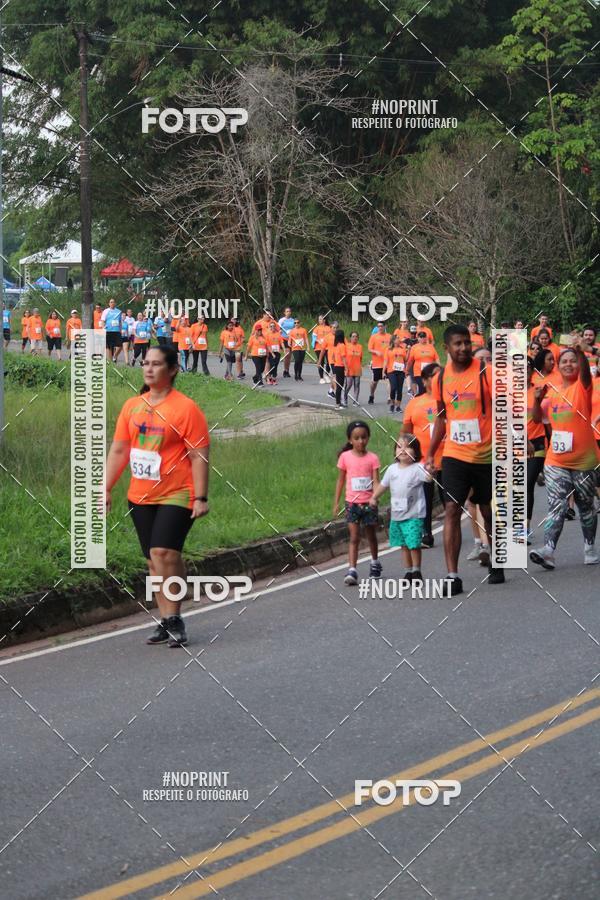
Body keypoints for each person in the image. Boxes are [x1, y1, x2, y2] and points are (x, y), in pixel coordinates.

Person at [106, 344, 210, 647]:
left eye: (156, 364)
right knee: (153, 559)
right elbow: (120, 450)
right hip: (141, 494)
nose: (149, 369)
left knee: (165, 553)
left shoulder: (186, 408)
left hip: (178, 491)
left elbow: (199, 455)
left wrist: (200, 497)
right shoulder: (132, 406)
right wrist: (105, 487)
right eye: (145, 363)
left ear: (173, 369)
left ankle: (175, 619)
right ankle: (165, 619)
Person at [427, 323, 504, 596]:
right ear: (446, 348)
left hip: (485, 455)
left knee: (486, 510)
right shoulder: (440, 379)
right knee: (452, 509)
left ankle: (496, 559)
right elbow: (441, 418)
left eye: (466, 342)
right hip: (454, 454)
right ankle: (452, 576)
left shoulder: (486, 372)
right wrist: (430, 453)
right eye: (457, 343)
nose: (463, 348)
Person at [530, 338, 599, 569]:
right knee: (557, 504)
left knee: (586, 506)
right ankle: (548, 550)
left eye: (573, 361)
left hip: (584, 460)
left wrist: (581, 353)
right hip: (556, 460)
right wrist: (537, 400)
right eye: (564, 361)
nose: (568, 364)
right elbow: (538, 419)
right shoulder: (552, 392)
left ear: (578, 364)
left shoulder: (582, 387)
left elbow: (586, 376)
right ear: (558, 367)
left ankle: (589, 547)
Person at [370, 434, 432, 583]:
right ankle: (408, 571)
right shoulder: (392, 469)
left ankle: (416, 571)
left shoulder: (418, 468)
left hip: (414, 515)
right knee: (403, 545)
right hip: (397, 515)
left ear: (416, 451)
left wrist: (431, 471)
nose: (403, 450)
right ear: (395, 451)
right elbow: (383, 485)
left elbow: (428, 478)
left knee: (414, 544)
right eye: (399, 446)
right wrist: (374, 497)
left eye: (408, 447)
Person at [402, 362, 445, 548]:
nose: (440, 379)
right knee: (424, 500)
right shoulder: (414, 403)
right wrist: (403, 456)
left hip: (448, 458)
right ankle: (426, 534)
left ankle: (453, 533)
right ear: (425, 381)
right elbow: (406, 433)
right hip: (422, 462)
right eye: (435, 375)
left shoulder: (450, 400)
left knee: (450, 502)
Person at [333, 420, 381, 585]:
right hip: (352, 504)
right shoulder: (345, 457)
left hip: (368, 504)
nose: (361, 441)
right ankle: (352, 570)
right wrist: (336, 502)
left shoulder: (373, 458)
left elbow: (376, 480)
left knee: (371, 535)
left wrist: (375, 496)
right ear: (350, 440)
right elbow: (340, 480)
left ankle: (375, 562)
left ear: (368, 437)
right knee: (354, 537)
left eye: (364, 437)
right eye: (357, 438)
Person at [526, 357, 547, 544]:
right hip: (516, 443)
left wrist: (536, 399)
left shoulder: (538, 390)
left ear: (532, 370)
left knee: (527, 484)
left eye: (527, 367)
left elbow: (538, 419)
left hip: (538, 442)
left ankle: (525, 527)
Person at [407, 331, 439, 397]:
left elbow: (436, 358)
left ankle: (421, 400)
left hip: (429, 373)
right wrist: (407, 369)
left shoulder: (431, 347)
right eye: (421, 337)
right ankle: (417, 400)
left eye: (424, 336)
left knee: (429, 389)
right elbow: (410, 360)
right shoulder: (414, 347)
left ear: (426, 338)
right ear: (418, 338)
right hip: (418, 373)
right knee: (422, 388)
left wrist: (439, 368)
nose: (422, 338)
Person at [383, 334, 408, 413]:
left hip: (401, 371)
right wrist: (383, 372)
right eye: (397, 338)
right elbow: (385, 361)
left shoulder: (402, 349)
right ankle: (392, 405)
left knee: (400, 389)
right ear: (393, 340)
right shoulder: (388, 349)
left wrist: (409, 351)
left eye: (399, 338)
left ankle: (398, 407)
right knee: (393, 388)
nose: (399, 339)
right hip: (391, 371)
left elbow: (405, 360)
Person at [367, 322, 391, 404]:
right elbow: (369, 349)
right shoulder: (374, 337)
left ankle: (389, 397)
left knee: (389, 380)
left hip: (388, 363)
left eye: (381, 326)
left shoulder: (390, 336)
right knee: (374, 382)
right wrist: (376, 352)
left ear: (385, 326)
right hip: (377, 363)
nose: (380, 328)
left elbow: (393, 347)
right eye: (378, 326)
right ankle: (371, 395)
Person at [100, 298, 123, 363]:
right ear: (109, 304)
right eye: (111, 302)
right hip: (108, 331)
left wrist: (120, 330)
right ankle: (110, 362)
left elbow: (120, 322)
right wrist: (103, 329)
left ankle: (115, 356)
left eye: (113, 302)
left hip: (117, 331)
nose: (112, 303)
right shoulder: (106, 311)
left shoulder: (119, 311)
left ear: (115, 303)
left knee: (120, 346)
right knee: (109, 347)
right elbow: (102, 321)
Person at [344, 331, 363, 406]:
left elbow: (360, 358)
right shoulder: (347, 346)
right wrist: (345, 368)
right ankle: (345, 398)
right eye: (353, 336)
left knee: (357, 384)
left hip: (357, 368)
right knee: (349, 385)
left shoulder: (360, 346)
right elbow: (343, 357)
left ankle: (355, 400)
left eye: (356, 336)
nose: (355, 338)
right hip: (349, 368)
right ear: (350, 338)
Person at [330, 329, 347, 408]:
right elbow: (343, 357)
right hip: (341, 367)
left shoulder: (335, 346)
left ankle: (338, 402)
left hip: (336, 366)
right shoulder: (342, 345)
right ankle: (338, 403)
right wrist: (346, 368)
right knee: (340, 385)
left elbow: (333, 357)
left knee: (338, 385)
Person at [314, 316, 332, 383]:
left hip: (328, 347)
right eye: (319, 319)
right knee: (321, 362)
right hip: (319, 347)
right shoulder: (316, 328)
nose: (319, 320)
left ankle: (326, 375)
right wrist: (318, 340)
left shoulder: (329, 328)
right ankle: (321, 378)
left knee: (329, 361)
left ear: (324, 320)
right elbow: (314, 338)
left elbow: (331, 336)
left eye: (321, 319)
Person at [278, 306, 295, 377]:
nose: (288, 313)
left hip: (291, 339)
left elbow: (295, 328)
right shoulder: (282, 320)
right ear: (284, 313)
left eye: (289, 311)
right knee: (287, 354)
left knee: (289, 356)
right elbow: (278, 329)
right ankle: (284, 370)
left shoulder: (293, 320)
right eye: (287, 311)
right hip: (283, 339)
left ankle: (287, 371)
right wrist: (280, 331)